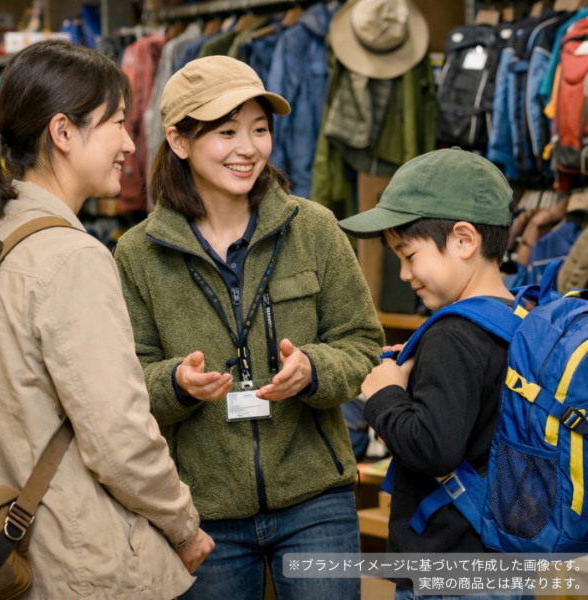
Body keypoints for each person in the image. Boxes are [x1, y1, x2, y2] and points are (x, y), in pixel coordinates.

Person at [114, 55, 384, 600]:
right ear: (179, 141)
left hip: (316, 499)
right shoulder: (138, 253)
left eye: (260, 129)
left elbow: (361, 342)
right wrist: (176, 383)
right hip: (202, 508)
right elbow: (126, 380)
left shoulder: (314, 228)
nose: (248, 148)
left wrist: (313, 370)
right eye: (226, 132)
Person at [0, 40, 213, 600]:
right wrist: (184, 527)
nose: (131, 142)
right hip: (78, 558)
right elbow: (118, 437)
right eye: (117, 122)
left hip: (9, 546)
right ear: (63, 132)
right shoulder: (71, 257)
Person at [338, 148, 534, 600]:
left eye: (409, 255)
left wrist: (383, 394)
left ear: (464, 240)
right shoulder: (518, 317)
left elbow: (432, 447)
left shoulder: (452, 334)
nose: (404, 274)